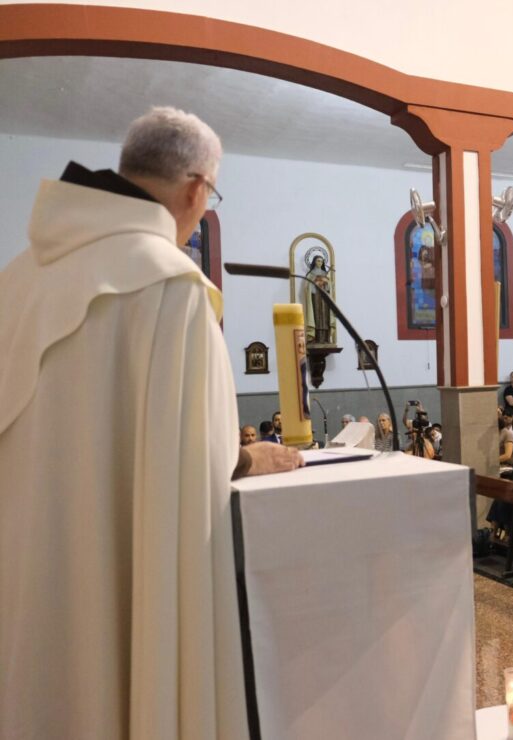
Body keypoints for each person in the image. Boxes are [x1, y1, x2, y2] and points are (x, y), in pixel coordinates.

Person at [0, 107, 303, 739]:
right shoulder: (170, 287)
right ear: (197, 189)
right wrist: (248, 458)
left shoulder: (20, 278)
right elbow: (195, 463)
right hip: (120, 568)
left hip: (28, 566)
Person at [303, 253, 332, 344]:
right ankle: (314, 337)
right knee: (316, 316)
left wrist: (326, 282)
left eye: (321, 261)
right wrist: (316, 280)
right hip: (315, 297)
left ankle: (325, 338)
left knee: (325, 317)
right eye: (318, 261)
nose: (320, 263)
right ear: (314, 262)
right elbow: (307, 286)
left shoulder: (325, 274)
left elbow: (329, 288)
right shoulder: (311, 274)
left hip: (324, 298)